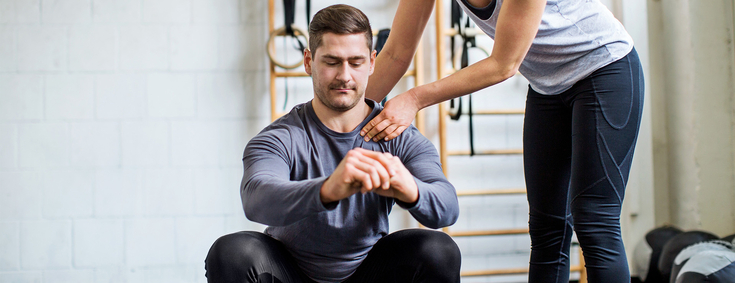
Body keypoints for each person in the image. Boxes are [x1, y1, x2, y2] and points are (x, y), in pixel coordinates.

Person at [359, 0, 644, 282]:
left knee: (594, 222)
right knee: (547, 228)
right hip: (548, 86)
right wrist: (346, 115)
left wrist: (414, 98)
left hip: (604, 68)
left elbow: (503, 64)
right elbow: (396, 52)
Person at [204, 4, 461, 283]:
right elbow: (256, 200)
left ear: (372, 62)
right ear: (308, 61)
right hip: (290, 274)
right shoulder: (280, 137)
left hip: (368, 273)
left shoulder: (397, 137)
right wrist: (327, 190)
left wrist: (410, 189)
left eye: (356, 61)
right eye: (331, 61)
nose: (345, 76)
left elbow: (447, 208)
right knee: (231, 252)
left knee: (439, 250)